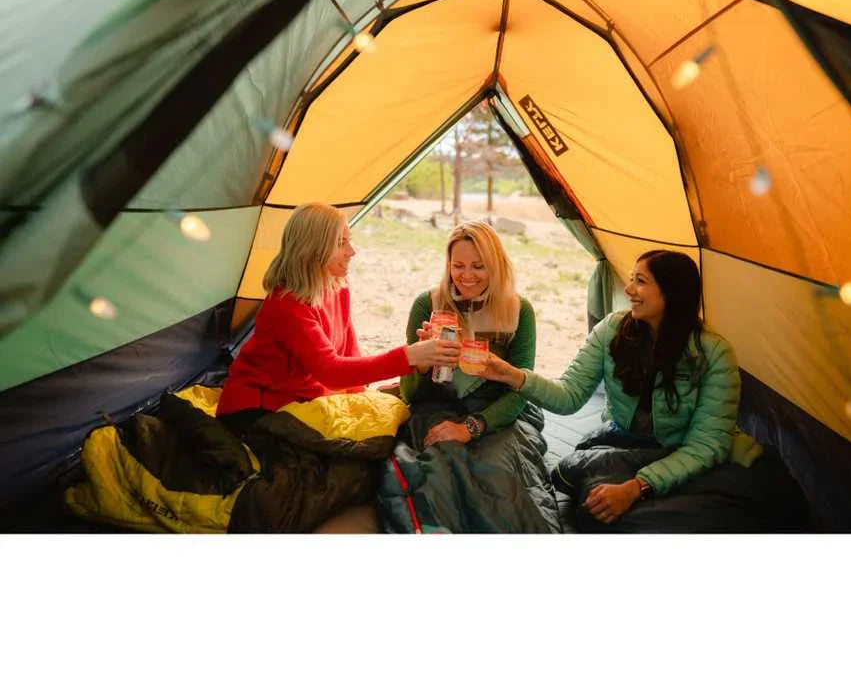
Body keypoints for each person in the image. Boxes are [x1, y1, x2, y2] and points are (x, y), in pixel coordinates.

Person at [476, 249, 767, 529]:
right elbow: (569, 396)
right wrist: (512, 375)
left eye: (640, 281)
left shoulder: (714, 353)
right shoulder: (612, 331)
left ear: (672, 292)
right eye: (630, 279)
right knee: (596, 510)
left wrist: (637, 486)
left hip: (682, 451)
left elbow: (706, 445)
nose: (628, 290)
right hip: (625, 444)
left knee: (745, 498)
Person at [215, 203, 460, 426]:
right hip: (257, 409)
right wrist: (409, 356)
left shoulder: (336, 287)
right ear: (314, 249)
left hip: (303, 403)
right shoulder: (286, 304)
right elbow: (331, 371)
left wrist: (363, 402)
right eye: (341, 243)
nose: (351, 251)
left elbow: (348, 353)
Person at [400, 220, 536, 446]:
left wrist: (471, 427)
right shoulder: (427, 304)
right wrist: (420, 364)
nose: (467, 275)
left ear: (496, 265)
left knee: (496, 473)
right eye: (458, 266)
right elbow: (409, 395)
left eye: (478, 266)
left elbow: (521, 390)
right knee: (437, 464)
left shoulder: (519, 311)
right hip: (435, 409)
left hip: (495, 415)